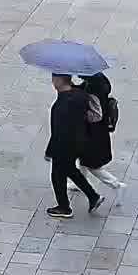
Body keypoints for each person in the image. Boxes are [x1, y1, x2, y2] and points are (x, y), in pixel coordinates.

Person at [44, 74, 100, 219]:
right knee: (70, 169)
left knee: (57, 175)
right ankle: (93, 196)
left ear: (58, 81)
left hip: (65, 145)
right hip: (80, 141)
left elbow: (60, 132)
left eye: (54, 78)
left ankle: (64, 207)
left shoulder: (62, 105)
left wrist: (51, 150)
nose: (53, 81)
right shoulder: (80, 94)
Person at [78, 73, 125, 190]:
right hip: (98, 131)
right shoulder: (100, 82)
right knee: (83, 159)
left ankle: (116, 184)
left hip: (93, 133)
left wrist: (80, 113)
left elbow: (96, 116)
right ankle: (79, 183)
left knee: (92, 165)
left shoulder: (92, 92)